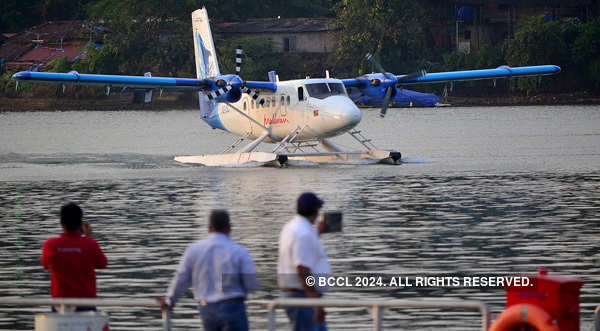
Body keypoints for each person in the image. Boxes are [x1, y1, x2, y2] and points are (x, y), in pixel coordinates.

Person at [160, 210, 259, 331]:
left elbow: (181, 279)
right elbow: (252, 285)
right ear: (229, 228)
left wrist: (170, 300)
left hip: (206, 309)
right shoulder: (239, 251)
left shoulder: (194, 250)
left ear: (209, 228)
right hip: (233, 307)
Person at [278, 192, 330, 331]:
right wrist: (315, 301)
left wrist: (318, 232)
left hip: (299, 294)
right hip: (303, 297)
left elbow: (302, 251)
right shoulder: (304, 233)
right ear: (315, 211)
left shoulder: (291, 227)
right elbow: (302, 270)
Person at [41, 202, 107, 311]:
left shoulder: (50, 245)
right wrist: (88, 237)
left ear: (61, 223)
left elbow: (45, 264)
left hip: (60, 304)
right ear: (80, 224)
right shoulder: (90, 244)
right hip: (86, 303)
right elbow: (102, 264)